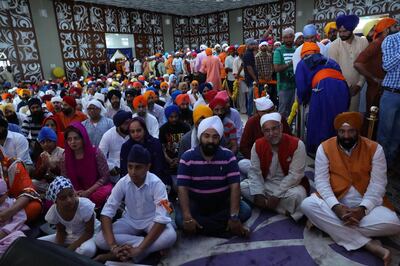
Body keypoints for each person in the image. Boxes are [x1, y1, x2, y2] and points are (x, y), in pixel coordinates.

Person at [301, 112, 400, 265]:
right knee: (307, 205)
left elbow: (378, 185)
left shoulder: (375, 149)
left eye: (351, 131)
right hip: (336, 201)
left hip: (367, 204)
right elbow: (321, 183)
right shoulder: (324, 147)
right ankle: (369, 244)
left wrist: (363, 209)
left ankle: (324, 224)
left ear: (357, 131)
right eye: (342, 131)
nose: (346, 136)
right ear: (337, 132)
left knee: (394, 224)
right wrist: (336, 208)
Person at [94, 145, 176, 263]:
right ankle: (142, 248)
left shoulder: (157, 184)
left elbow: (162, 218)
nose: (133, 172)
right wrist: (113, 246)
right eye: (130, 167)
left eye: (138, 167)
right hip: (130, 220)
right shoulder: (122, 182)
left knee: (170, 235)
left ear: (148, 167)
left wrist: (140, 249)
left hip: (152, 221)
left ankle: (135, 251)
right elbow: (107, 213)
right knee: (100, 239)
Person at [177, 116, 251, 237]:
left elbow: (235, 187)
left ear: (220, 138)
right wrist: (187, 217)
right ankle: (224, 230)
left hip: (221, 203)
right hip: (197, 204)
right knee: (181, 219)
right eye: (206, 136)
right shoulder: (187, 157)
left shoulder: (228, 156)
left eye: (215, 137)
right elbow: (182, 188)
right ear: (200, 137)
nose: (211, 140)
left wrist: (233, 217)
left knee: (245, 211)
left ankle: (202, 227)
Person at [241, 112, 307, 221]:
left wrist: (276, 196)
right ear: (263, 132)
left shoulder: (297, 144)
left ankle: (267, 205)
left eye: (274, 128)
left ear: (281, 127)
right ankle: (282, 210)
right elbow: (255, 172)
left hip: (289, 186)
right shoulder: (257, 145)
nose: (271, 133)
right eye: (267, 130)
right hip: (266, 183)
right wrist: (258, 192)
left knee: (298, 196)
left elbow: (295, 175)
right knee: (243, 187)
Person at [295, 42, 350, 153]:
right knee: (337, 119)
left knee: (319, 120)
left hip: (323, 89)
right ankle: (339, 148)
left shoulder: (302, 63)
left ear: (303, 54)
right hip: (342, 90)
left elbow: (301, 87)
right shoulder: (331, 61)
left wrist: (302, 99)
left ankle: (319, 151)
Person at [39, 176, 99, 258]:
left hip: (90, 235)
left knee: (87, 250)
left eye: (71, 195)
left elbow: (89, 232)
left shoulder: (85, 206)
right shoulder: (54, 211)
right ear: (55, 201)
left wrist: (67, 251)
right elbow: (61, 232)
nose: (69, 200)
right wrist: (58, 251)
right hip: (72, 235)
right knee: (39, 243)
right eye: (63, 198)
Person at [60, 122, 112, 207]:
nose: (73, 142)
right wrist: (73, 192)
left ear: (83, 138)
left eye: (76, 138)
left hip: (94, 190)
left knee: (107, 191)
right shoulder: (65, 157)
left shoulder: (96, 153)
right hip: (74, 193)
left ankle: (82, 204)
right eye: (69, 139)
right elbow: (64, 179)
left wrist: (88, 192)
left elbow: (105, 177)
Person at [354, 18, 398, 116]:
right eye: (395, 26)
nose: (398, 29)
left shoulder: (389, 42)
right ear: (387, 30)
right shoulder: (377, 43)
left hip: (385, 90)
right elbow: (357, 63)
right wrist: (374, 78)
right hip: (375, 90)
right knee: (372, 122)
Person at [329, 14, 369, 111]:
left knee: (353, 116)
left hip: (357, 89)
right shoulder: (334, 46)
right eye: (340, 31)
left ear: (352, 29)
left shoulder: (363, 42)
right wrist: (348, 86)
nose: (342, 34)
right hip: (340, 87)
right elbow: (334, 69)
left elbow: (366, 65)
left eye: (345, 31)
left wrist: (359, 84)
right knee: (340, 116)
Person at [120, 117, 170, 185]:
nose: (136, 134)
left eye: (138, 130)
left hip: (155, 181)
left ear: (144, 130)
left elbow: (160, 166)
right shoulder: (126, 147)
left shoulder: (155, 143)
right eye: (132, 131)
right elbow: (125, 170)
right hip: (133, 182)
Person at [377, 31, 400, 169]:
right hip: (391, 94)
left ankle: (390, 165)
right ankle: (380, 165)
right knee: (385, 133)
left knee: (397, 134)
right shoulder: (391, 40)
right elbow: (387, 66)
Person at [0, 146, 41, 222]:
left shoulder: (12, 165)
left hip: (10, 206)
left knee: (34, 206)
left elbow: (28, 191)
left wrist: (9, 212)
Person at [99, 110, 131, 184]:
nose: (129, 125)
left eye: (130, 122)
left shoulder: (133, 132)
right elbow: (101, 157)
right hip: (115, 172)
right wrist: (110, 168)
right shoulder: (108, 135)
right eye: (126, 123)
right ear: (119, 124)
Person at [159, 105, 190, 175]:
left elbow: (189, 146)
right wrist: (169, 160)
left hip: (184, 159)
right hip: (169, 162)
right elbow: (162, 147)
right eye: (171, 117)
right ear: (167, 117)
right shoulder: (163, 129)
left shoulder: (185, 127)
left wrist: (180, 160)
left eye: (176, 116)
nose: (174, 119)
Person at [0, 179, 29, 255]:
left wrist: (5, 231)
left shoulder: (12, 203)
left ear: (6, 193)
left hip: (10, 233)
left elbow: (20, 219)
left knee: (18, 237)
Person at [273, 28, 296, 118]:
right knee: (283, 111)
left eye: (290, 37)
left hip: (296, 86)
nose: (289, 39)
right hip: (283, 86)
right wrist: (290, 63)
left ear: (293, 37)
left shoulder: (296, 50)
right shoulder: (279, 51)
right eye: (286, 37)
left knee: (293, 110)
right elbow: (277, 68)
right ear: (283, 39)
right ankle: (281, 129)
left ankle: (291, 129)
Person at [243, 38, 259, 116]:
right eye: (251, 44)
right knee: (251, 98)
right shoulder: (248, 54)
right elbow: (249, 68)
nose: (253, 46)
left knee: (253, 98)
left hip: (252, 79)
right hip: (251, 80)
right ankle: (250, 115)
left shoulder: (251, 53)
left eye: (254, 44)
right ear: (247, 45)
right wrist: (255, 79)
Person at [233, 45, 248, 114]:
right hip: (241, 80)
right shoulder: (236, 60)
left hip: (249, 80)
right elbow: (235, 74)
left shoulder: (248, 58)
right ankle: (243, 110)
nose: (243, 54)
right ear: (239, 52)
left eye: (244, 52)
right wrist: (241, 78)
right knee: (242, 97)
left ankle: (250, 109)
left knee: (250, 95)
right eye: (241, 52)